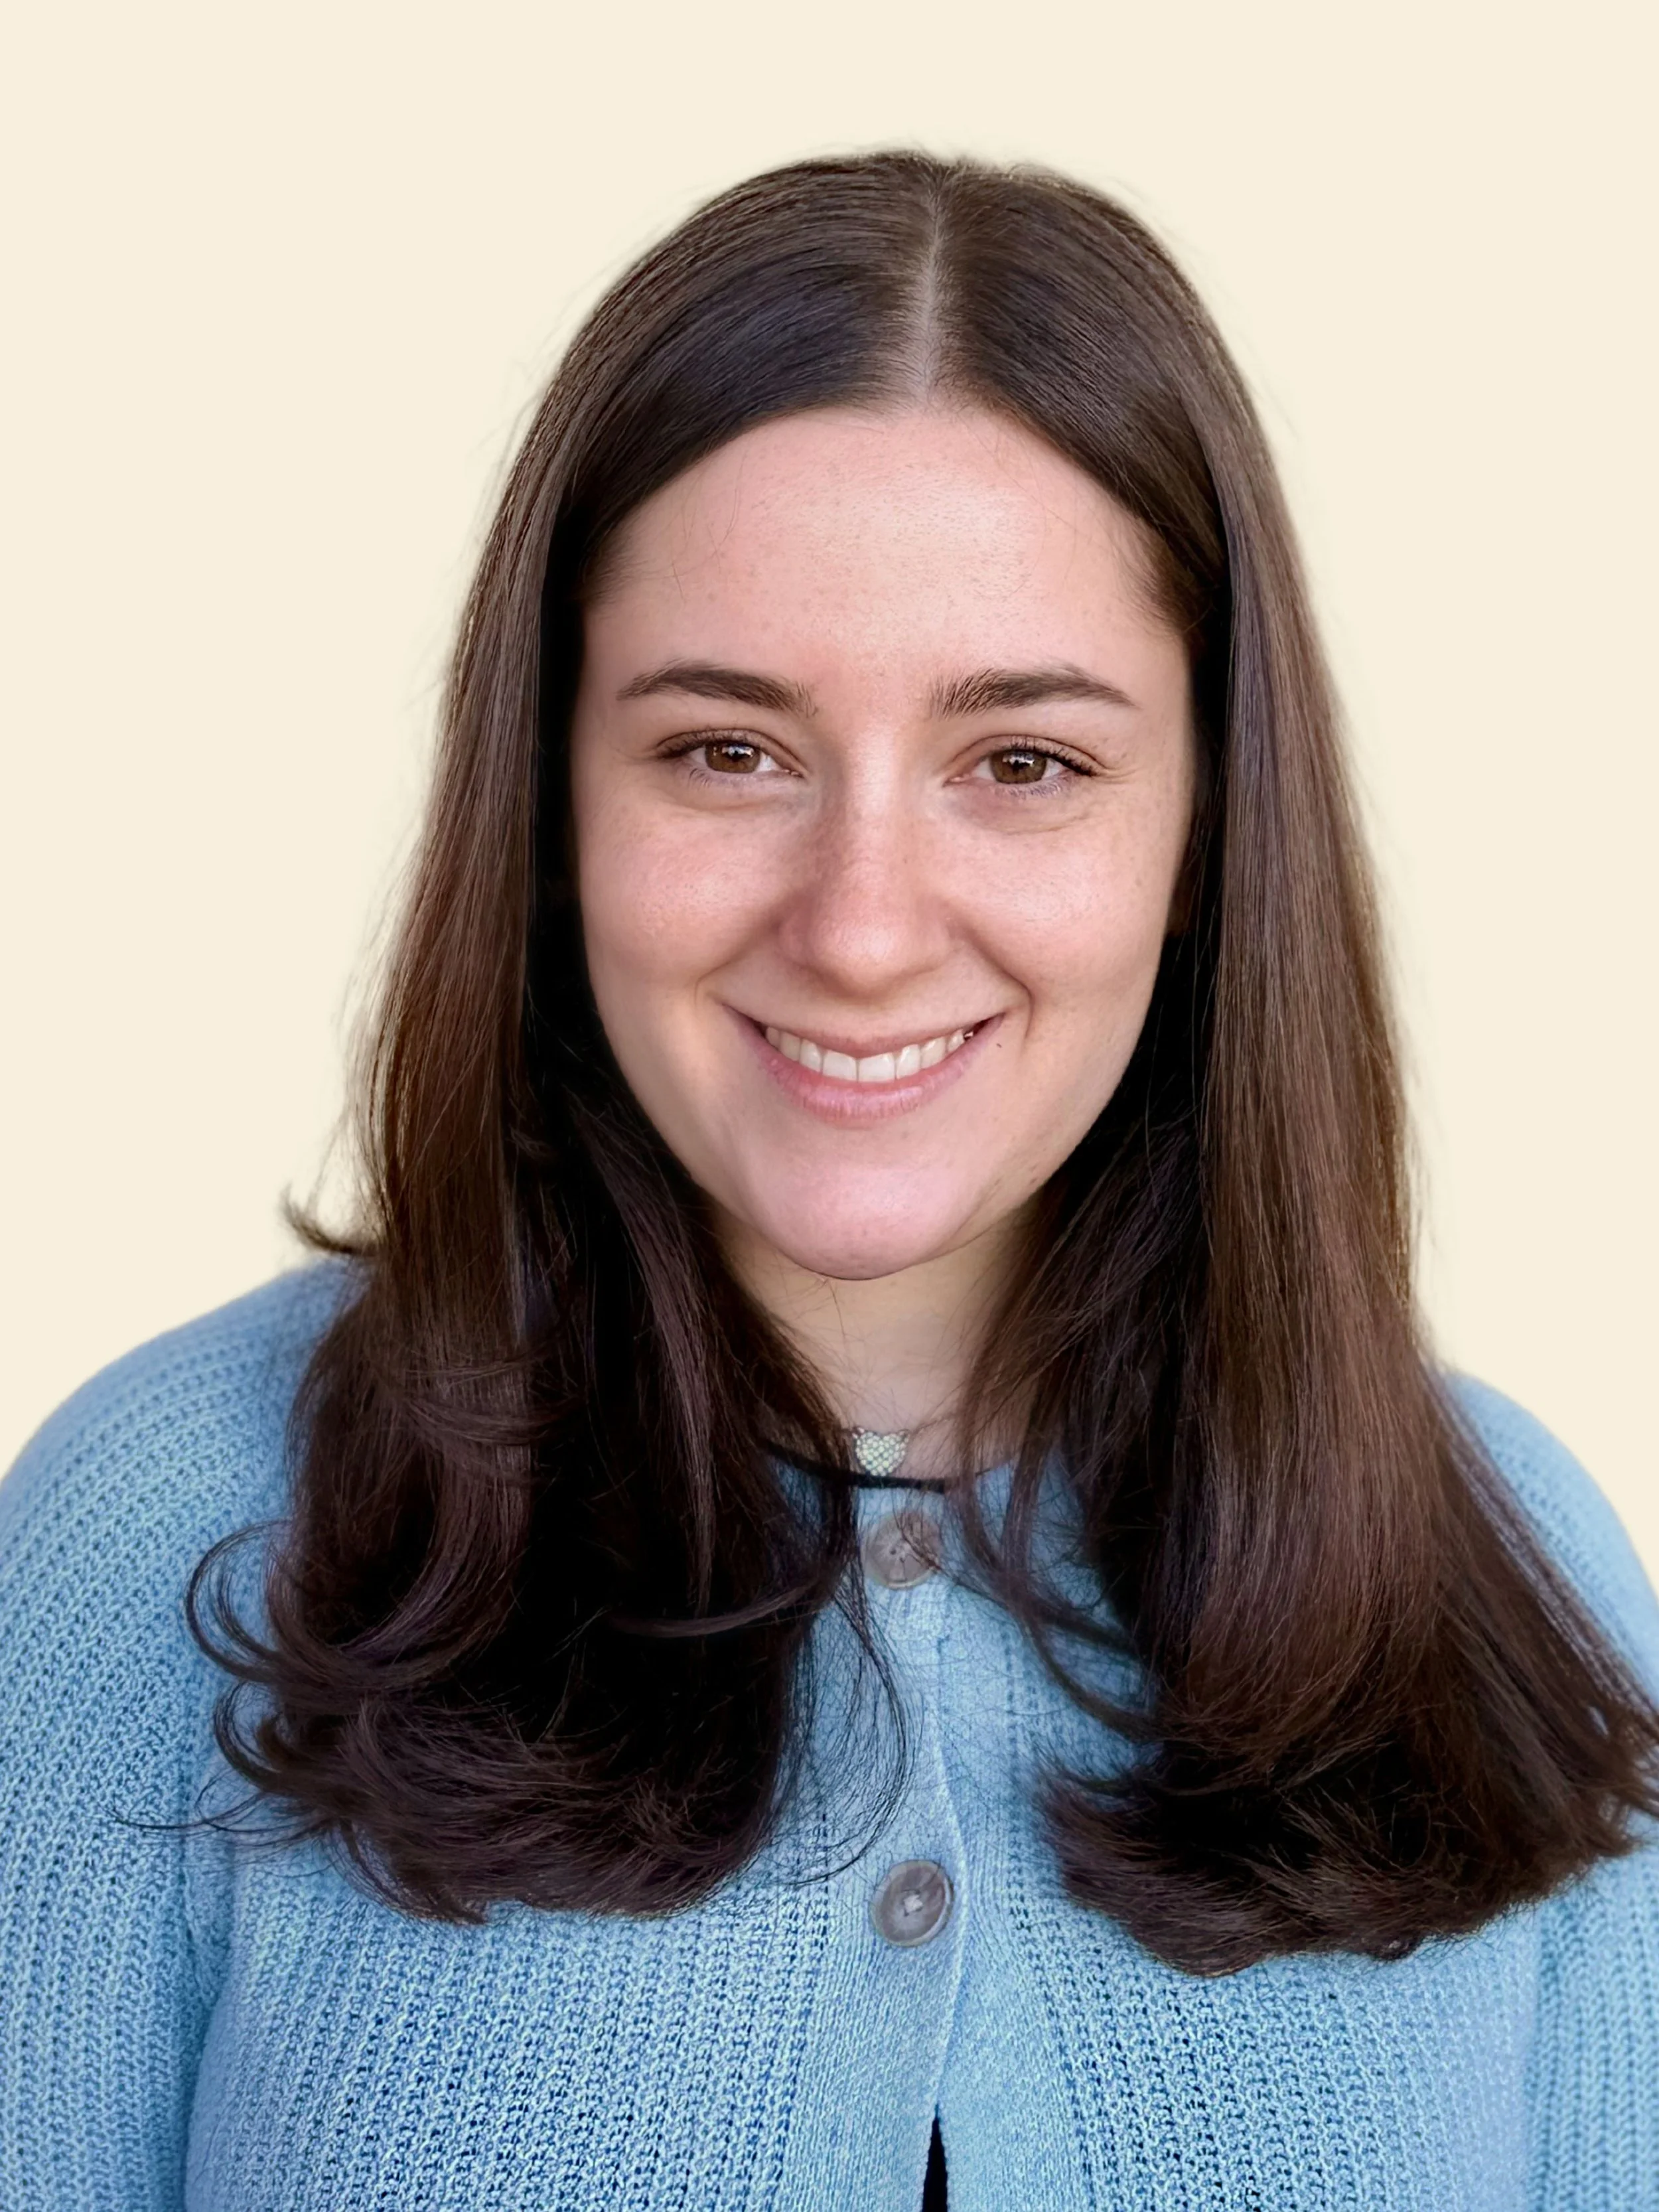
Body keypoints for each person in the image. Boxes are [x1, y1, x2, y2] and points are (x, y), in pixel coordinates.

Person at [3, 150, 1656, 2212]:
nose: (862, 925)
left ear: (1207, 828)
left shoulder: (1509, 1585)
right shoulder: (160, 1544)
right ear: (551, 799)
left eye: (1023, 761)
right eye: (725, 749)